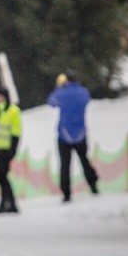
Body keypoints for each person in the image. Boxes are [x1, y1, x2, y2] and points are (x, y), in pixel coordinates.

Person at [47, 71, 99, 202]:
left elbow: (51, 102)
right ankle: (93, 185)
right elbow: (87, 100)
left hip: (64, 134)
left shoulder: (61, 92)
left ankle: (66, 193)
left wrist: (60, 87)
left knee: (65, 165)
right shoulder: (83, 92)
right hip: (81, 133)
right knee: (84, 161)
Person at [0, 86, 21, 214]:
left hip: (7, 149)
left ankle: (7, 203)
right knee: (2, 176)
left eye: (1, 96)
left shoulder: (13, 111)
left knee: (1, 176)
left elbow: (16, 132)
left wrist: (13, 149)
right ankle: (9, 203)